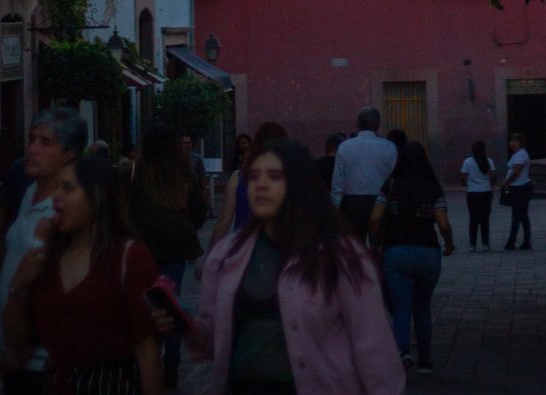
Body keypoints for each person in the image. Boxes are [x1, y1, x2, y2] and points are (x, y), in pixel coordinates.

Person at [163, 136, 405, 394]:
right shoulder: (226, 256)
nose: (260, 185)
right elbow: (212, 344)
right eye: (253, 177)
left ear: (298, 184)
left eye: (274, 177)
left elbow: (374, 348)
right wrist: (183, 325)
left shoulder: (339, 255)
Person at [3, 152, 164, 395]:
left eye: (67, 188)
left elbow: (147, 350)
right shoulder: (47, 259)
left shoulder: (129, 257)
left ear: (95, 197)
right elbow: (19, 341)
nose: (56, 196)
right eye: (56, 187)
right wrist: (18, 286)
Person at [0, 107, 88, 395]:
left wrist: (27, 345)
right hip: (19, 356)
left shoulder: (66, 212)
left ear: (68, 154)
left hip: (46, 365)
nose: (32, 149)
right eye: (31, 139)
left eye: (45, 143)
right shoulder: (29, 192)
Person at [125, 125, 208, 388]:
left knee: (140, 304)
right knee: (171, 303)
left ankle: (142, 361)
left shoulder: (133, 172)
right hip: (174, 248)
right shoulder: (184, 174)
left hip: (141, 247)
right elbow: (199, 212)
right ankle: (170, 364)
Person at [369, 141, 455, 375]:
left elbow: (374, 219)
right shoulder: (433, 188)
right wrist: (449, 244)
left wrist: (375, 245)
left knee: (401, 308)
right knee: (423, 309)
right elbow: (443, 224)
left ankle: (403, 352)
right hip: (428, 253)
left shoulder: (391, 185)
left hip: (396, 252)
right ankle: (425, 361)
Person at [200, 123, 289, 274]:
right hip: (282, 251)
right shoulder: (290, 178)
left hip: (244, 250)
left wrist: (209, 257)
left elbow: (224, 221)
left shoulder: (239, 177)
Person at [331, 109, 398, 239]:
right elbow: (392, 178)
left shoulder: (345, 147)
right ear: (378, 124)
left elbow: (338, 180)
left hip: (353, 204)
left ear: (357, 123)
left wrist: (336, 205)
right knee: (379, 243)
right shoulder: (389, 147)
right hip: (381, 203)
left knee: (356, 246)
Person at [459, 141, 495, 251]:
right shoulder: (488, 161)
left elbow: (463, 176)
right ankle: (485, 244)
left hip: (472, 193)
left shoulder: (468, 161)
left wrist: (467, 185)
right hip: (486, 192)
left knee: (473, 219)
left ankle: (472, 244)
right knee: (485, 219)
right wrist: (489, 185)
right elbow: (493, 176)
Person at [502, 133, 533, 252]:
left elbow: (516, 172)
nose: (513, 143)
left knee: (517, 215)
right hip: (519, 187)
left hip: (521, 187)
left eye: (515, 141)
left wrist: (506, 183)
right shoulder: (517, 154)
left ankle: (512, 241)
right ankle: (526, 241)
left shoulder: (521, 155)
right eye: (512, 141)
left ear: (520, 143)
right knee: (523, 215)